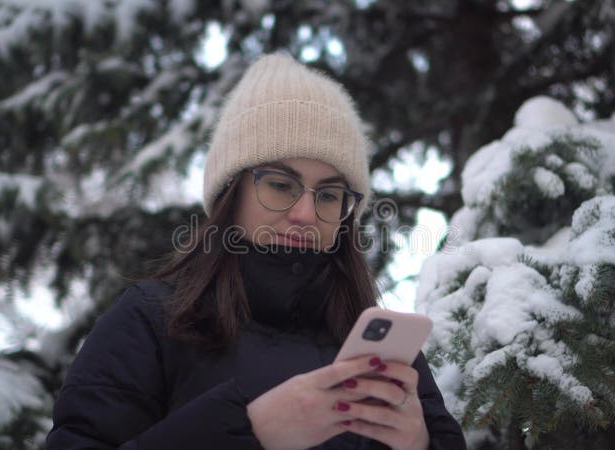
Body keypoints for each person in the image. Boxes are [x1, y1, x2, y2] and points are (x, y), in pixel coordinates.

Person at [46, 53, 466, 450]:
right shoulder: (148, 322)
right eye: (280, 185)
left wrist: (422, 444)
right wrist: (249, 431)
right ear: (233, 191)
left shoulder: (389, 354)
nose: (305, 213)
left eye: (330, 193)